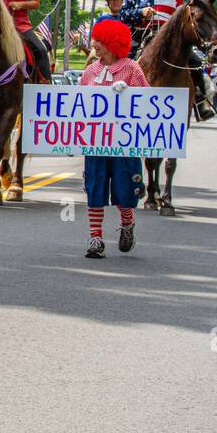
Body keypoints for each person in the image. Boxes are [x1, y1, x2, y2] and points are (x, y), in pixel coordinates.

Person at [78, 19, 149, 259]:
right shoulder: (90, 71)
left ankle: (127, 223)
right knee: (95, 188)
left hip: (124, 143)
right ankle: (96, 238)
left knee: (125, 188)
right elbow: (74, 106)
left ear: (111, 42)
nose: (94, 44)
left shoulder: (131, 68)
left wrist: (128, 93)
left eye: (99, 40)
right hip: (96, 143)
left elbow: (149, 103)